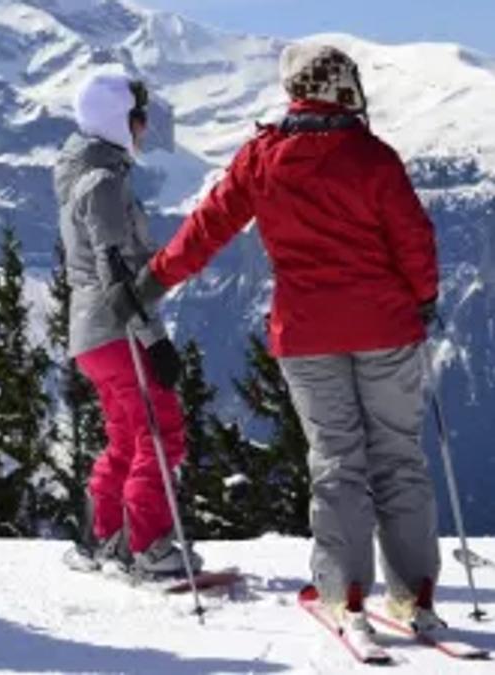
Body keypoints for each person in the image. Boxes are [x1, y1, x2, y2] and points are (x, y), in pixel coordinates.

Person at [111, 42, 443, 631]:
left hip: (307, 335)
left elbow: (208, 226)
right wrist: (424, 298)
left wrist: (153, 281)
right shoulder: (374, 157)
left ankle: (345, 594)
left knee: (337, 462)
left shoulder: (262, 158)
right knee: (398, 457)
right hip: (387, 329)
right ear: (344, 89)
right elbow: (413, 239)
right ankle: (414, 595)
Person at [54, 71, 202, 579]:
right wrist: (154, 340)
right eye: (138, 117)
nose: (145, 127)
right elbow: (114, 268)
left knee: (127, 437)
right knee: (162, 432)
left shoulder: (85, 177)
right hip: (118, 330)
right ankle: (149, 546)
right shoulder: (103, 182)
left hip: (91, 335)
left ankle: (104, 538)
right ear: (117, 120)